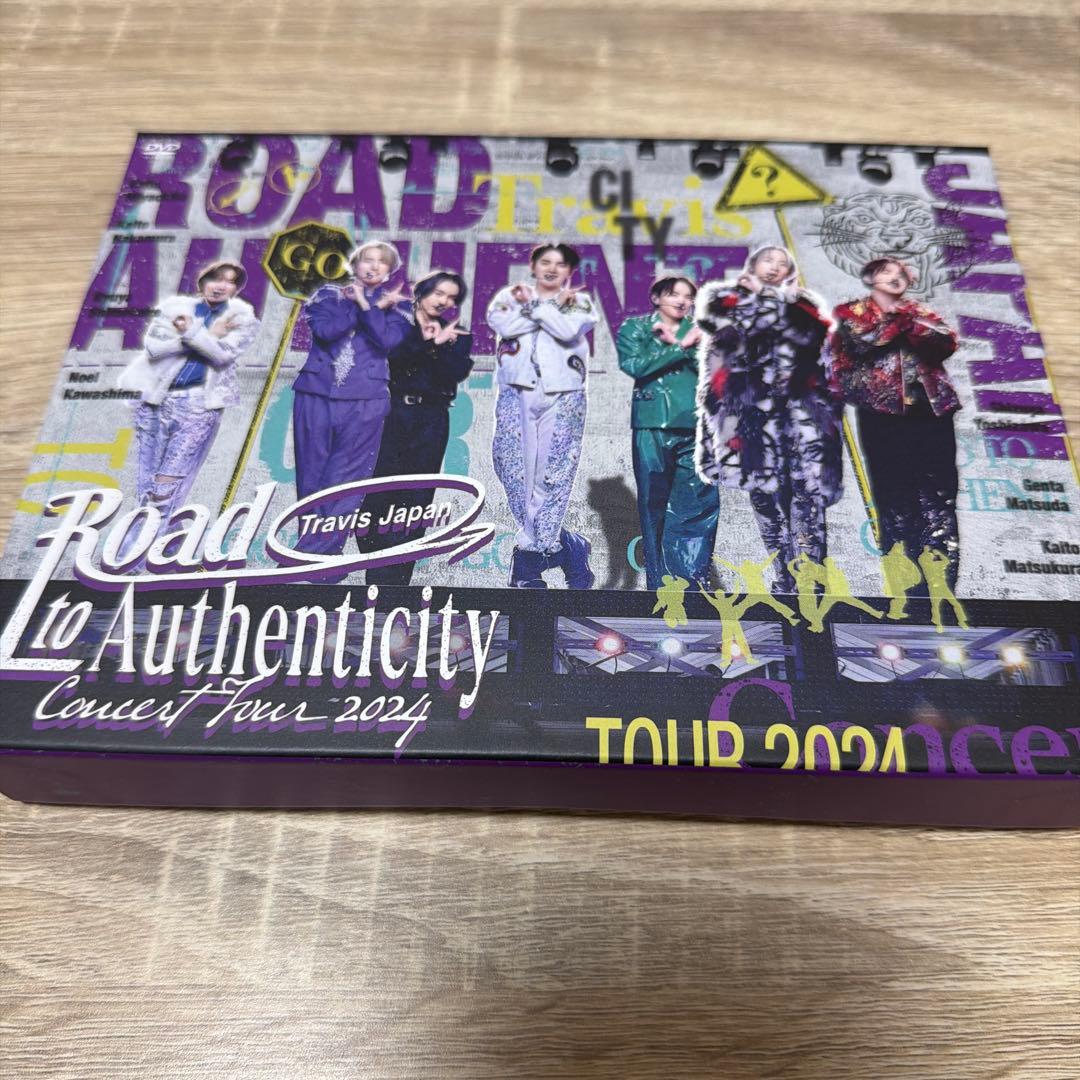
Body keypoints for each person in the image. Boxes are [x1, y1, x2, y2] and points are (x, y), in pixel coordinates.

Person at [696, 245, 842, 593]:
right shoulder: (726, 301)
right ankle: (785, 577)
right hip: (751, 420)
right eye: (768, 260)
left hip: (801, 418)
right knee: (766, 499)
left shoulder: (804, 306)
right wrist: (762, 299)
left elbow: (816, 344)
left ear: (790, 272)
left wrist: (780, 302)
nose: (775, 267)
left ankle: (811, 581)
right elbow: (729, 334)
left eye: (782, 263)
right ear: (752, 266)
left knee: (806, 496)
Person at [829, 256, 961, 586]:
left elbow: (946, 341)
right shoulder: (852, 313)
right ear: (870, 279)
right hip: (882, 414)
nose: (895, 276)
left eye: (901, 272)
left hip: (932, 411)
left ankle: (943, 580)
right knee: (894, 496)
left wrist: (906, 322)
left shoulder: (918, 311)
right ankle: (905, 580)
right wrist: (900, 323)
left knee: (939, 495)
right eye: (886, 271)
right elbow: (863, 342)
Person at [291, 240, 411, 557]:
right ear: (355, 265)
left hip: (366, 399)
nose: (373, 266)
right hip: (316, 393)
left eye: (381, 262)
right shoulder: (327, 295)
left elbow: (387, 341)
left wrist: (369, 307)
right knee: (311, 478)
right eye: (367, 259)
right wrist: (359, 305)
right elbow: (326, 332)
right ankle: (317, 558)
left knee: (346, 480)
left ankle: (311, 558)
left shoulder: (398, 306)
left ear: (389, 271)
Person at [487, 242, 597, 588]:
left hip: (563, 393)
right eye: (545, 262)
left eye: (560, 264)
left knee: (552, 473)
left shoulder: (580, 302)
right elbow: (503, 323)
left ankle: (529, 562)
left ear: (570, 271)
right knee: (510, 464)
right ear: (533, 266)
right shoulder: (508, 295)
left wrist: (534, 307)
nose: (551, 269)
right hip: (516, 389)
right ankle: (566, 544)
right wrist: (546, 312)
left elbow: (566, 330)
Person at [118, 260, 259, 521]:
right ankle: (152, 541)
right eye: (216, 278)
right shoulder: (175, 308)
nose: (221, 286)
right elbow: (154, 349)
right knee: (146, 486)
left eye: (230, 282)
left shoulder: (242, 318)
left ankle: (149, 542)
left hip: (199, 406)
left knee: (166, 488)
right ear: (203, 281)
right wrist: (204, 336)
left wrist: (190, 331)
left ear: (236, 289)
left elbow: (221, 357)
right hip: (155, 401)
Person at [363, 271, 474, 586]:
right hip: (392, 415)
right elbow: (391, 360)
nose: (444, 301)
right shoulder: (397, 326)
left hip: (431, 419)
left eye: (451, 297)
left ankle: (395, 584)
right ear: (422, 292)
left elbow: (454, 373)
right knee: (376, 497)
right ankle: (376, 568)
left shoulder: (458, 335)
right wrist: (430, 343)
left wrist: (440, 346)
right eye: (439, 293)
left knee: (416, 501)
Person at [617, 275, 718, 590]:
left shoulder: (702, 331)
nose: (682, 301)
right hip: (652, 423)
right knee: (654, 505)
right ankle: (659, 589)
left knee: (697, 504)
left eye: (688, 296)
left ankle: (690, 583)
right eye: (674, 294)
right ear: (657, 297)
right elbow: (635, 366)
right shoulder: (636, 328)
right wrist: (681, 347)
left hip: (696, 425)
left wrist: (693, 345)